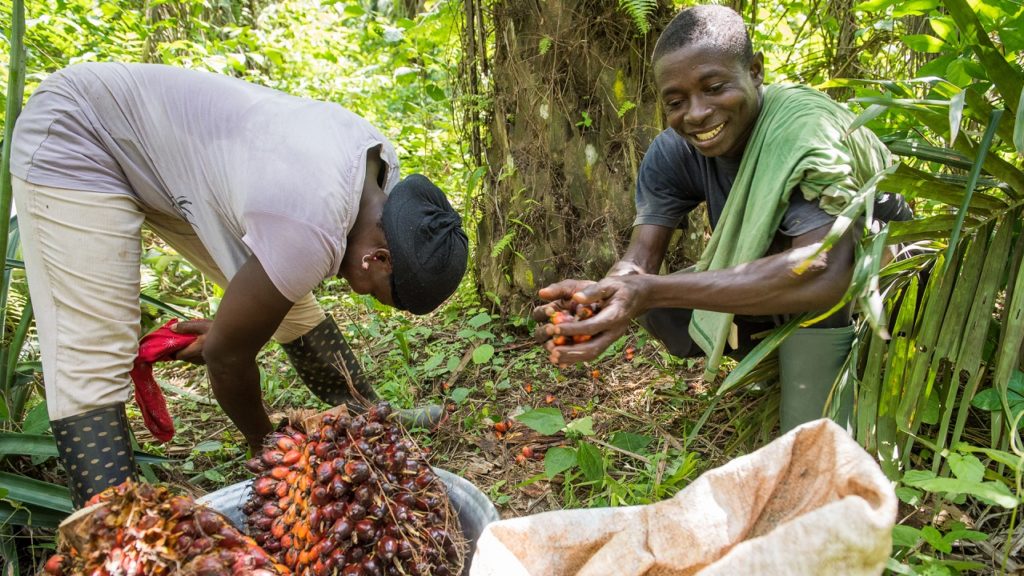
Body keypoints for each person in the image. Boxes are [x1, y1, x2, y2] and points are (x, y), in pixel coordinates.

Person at [10, 62, 469, 506]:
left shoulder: (374, 170)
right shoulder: (313, 219)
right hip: (80, 133)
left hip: (171, 161)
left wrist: (234, 325)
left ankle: (365, 411)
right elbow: (226, 356)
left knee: (292, 302)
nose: (357, 291)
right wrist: (267, 446)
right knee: (92, 358)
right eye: (375, 291)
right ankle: (117, 541)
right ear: (379, 258)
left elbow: (282, 265)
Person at [533, 5, 912, 435]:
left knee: (799, 298)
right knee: (664, 313)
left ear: (755, 71)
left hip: (878, 283)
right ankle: (782, 363)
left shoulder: (801, 131)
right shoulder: (672, 152)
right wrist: (601, 299)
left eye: (714, 88)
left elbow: (824, 270)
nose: (695, 113)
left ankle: (817, 433)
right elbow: (639, 260)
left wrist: (650, 291)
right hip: (793, 271)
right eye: (675, 101)